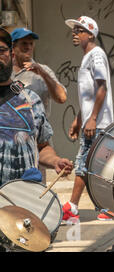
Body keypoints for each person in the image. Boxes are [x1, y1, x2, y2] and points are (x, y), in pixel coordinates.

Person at [0, 27, 72, 187]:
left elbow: (61, 97)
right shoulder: (11, 75)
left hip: (33, 136)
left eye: (31, 44)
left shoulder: (38, 79)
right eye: (23, 44)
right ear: (14, 49)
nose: (28, 47)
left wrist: (56, 161)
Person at [62, 16, 114, 222]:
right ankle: (107, 207)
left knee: (84, 164)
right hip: (91, 123)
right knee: (94, 166)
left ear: (91, 34)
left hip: (98, 124)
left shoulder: (96, 55)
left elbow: (102, 86)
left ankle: (73, 208)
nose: (74, 34)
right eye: (74, 30)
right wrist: (79, 119)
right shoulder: (87, 57)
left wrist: (92, 119)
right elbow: (89, 95)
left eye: (79, 30)